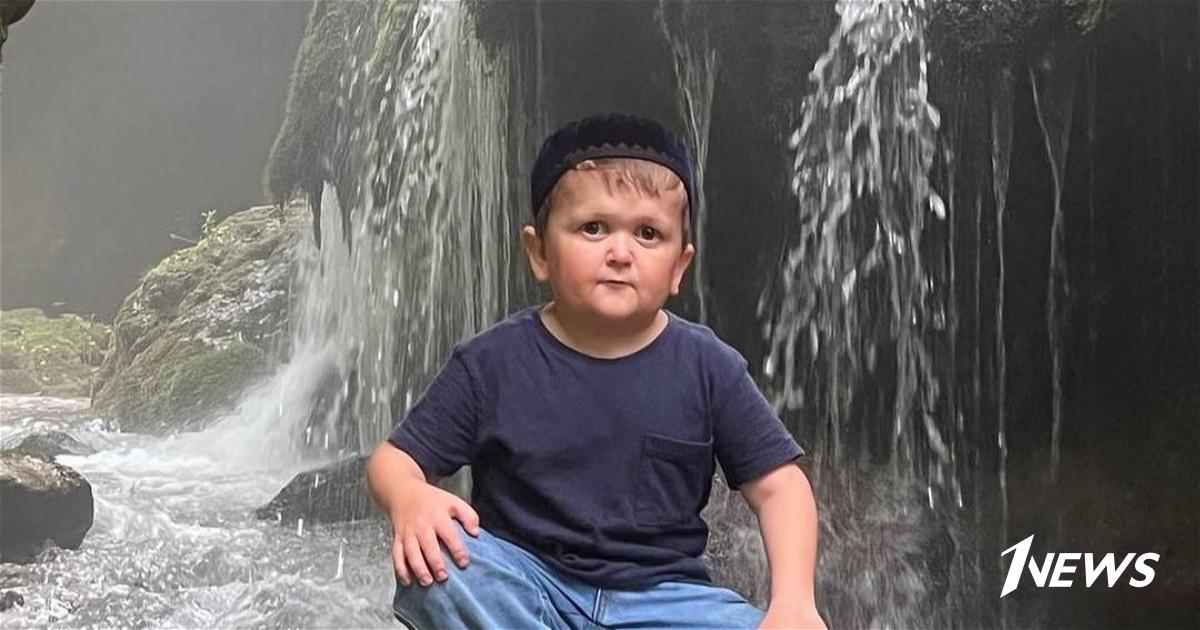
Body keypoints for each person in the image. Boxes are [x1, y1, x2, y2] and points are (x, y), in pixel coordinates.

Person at [367, 112, 825, 629]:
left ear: (679, 267)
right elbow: (393, 460)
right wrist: (409, 496)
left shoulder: (709, 366)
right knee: (439, 565)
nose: (620, 253)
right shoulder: (490, 362)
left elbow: (781, 487)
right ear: (539, 252)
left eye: (648, 234)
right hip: (528, 586)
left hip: (665, 601)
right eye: (593, 228)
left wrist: (794, 601)